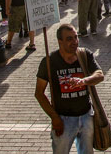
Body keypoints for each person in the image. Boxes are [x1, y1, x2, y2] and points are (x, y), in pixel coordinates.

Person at [35, 24, 104, 154]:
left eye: (76, 37)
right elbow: (39, 93)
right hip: (63, 119)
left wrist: (83, 81)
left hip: (86, 116)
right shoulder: (49, 62)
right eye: (69, 39)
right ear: (59, 41)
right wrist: (54, 117)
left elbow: (99, 75)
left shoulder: (84, 55)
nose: (74, 42)